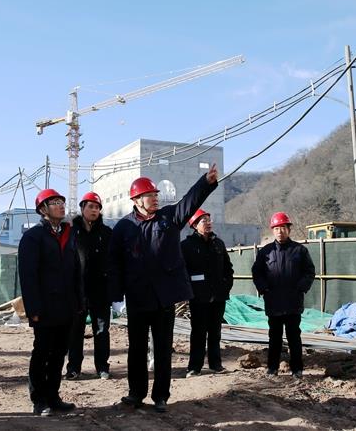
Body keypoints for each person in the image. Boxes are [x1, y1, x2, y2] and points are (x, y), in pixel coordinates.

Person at [109, 164, 219, 413]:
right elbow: (114, 264)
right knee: (137, 349)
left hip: (164, 297)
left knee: (162, 348)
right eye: (150, 195)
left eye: (156, 194)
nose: (155, 198)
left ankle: (161, 396)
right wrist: (116, 296)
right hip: (137, 297)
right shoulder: (123, 228)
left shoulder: (169, 217)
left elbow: (189, 202)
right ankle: (136, 393)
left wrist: (206, 182)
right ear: (136, 200)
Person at [18, 189, 81, 417]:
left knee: (59, 353)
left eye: (61, 202)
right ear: (43, 209)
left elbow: (76, 270)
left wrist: (78, 301)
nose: (61, 206)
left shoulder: (69, 234)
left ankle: (53, 396)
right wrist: (33, 308)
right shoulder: (33, 237)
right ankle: (39, 399)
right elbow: (28, 276)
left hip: (66, 305)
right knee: (42, 353)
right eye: (54, 202)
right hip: (44, 307)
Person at [251, 212, 315, 378]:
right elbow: (257, 272)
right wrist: (264, 289)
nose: (280, 231)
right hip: (274, 301)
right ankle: (272, 368)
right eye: (277, 228)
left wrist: (301, 287)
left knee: (294, 337)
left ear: (289, 229)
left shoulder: (299, 251)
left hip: (293, 301)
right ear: (273, 230)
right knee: (274, 337)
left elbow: (309, 272)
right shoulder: (266, 252)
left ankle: (297, 369)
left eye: (283, 228)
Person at [65, 191, 112, 381]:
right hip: (77, 291)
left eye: (97, 207)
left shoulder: (106, 233)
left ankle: (102, 367)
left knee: (101, 330)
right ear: (82, 208)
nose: (94, 210)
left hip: (100, 290)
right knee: (75, 331)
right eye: (91, 206)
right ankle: (73, 368)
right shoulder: (71, 232)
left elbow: (113, 261)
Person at [181, 208, 233, 377]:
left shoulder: (219, 244)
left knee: (215, 332)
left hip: (218, 296)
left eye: (209, 220)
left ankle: (215, 364)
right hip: (198, 297)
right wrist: (189, 292)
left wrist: (226, 286)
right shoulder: (186, 246)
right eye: (204, 221)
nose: (208, 223)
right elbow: (182, 272)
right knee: (198, 332)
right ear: (194, 225)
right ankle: (194, 367)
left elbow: (228, 268)